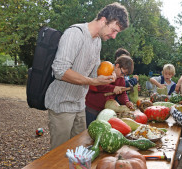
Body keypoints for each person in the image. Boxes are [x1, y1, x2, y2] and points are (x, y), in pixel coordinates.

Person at [44, 2, 129, 150]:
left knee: (80, 149)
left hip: (79, 104)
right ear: (104, 20)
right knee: (59, 155)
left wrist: (110, 75)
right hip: (62, 105)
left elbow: (95, 70)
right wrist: (93, 81)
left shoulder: (97, 41)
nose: (114, 36)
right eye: (114, 30)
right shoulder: (75, 34)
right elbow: (60, 70)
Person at [85, 55, 134, 127]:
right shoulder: (104, 70)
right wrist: (113, 88)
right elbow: (97, 86)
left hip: (105, 112)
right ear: (117, 66)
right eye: (122, 73)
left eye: (125, 75)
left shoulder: (121, 80)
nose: (122, 76)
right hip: (92, 109)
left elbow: (123, 94)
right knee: (88, 132)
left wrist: (127, 102)